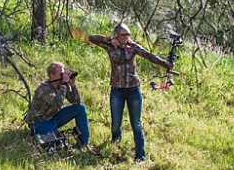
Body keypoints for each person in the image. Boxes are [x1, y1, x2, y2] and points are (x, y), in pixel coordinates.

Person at [88, 24, 173, 162]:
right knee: (116, 123)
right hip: (117, 89)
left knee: (136, 124)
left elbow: (149, 55)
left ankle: (140, 155)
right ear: (116, 35)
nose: (127, 37)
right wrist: (110, 41)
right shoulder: (110, 46)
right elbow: (92, 38)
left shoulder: (133, 46)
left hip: (133, 89)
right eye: (123, 35)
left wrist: (165, 64)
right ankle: (116, 142)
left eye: (128, 35)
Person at [24, 61, 95, 153]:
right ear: (52, 76)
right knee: (58, 142)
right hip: (39, 121)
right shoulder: (43, 88)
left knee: (80, 108)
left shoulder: (61, 86)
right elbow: (56, 102)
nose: (63, 76)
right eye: (61, 74)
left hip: (53, 117)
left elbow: (76, 102)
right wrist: (64, 85)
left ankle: (84, 142)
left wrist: (73, 86)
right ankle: (39, 137)